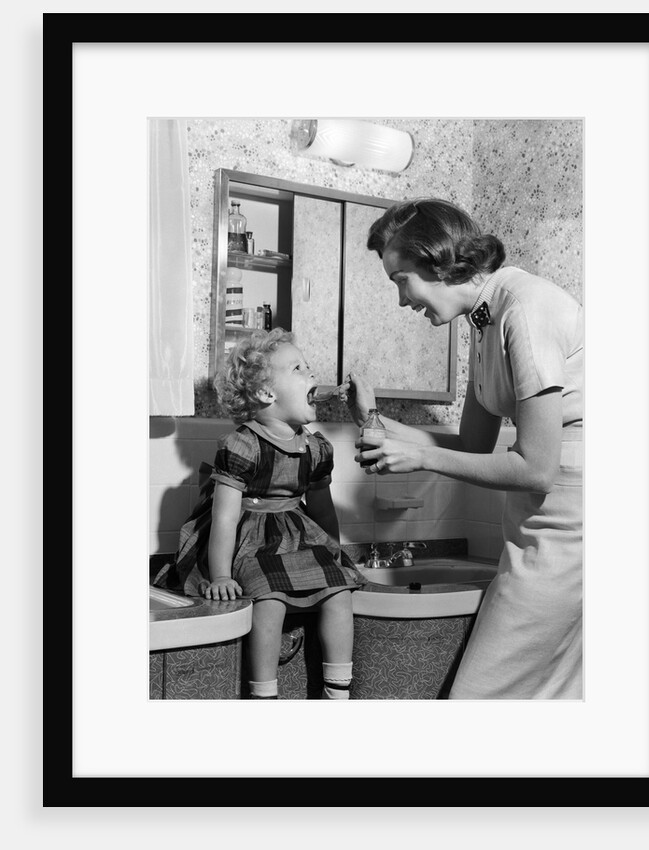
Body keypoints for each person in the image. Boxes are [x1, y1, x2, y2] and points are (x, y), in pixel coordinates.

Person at [346, 198, 583, 700]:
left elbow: (537, 468)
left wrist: (422, 458)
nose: (401, 300)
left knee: (480, 697)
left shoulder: (525, 308)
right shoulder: (485, 318)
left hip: (576, 526)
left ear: (437, 261)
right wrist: (374, 418)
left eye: (400, 279)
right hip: (537, 526)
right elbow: (473, 445)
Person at [154, 328, 365, 700]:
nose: (312, 374)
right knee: (268, 595)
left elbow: (322, 509)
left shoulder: (316, 447)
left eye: (309, 366)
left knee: (339, 589)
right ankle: (264, 693)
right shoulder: (243, 443)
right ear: (267, 394)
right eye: (299, 368)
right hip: (250, 536)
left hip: (296, 530)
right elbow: (223, 519)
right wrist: (220, 574)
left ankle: (338, 691)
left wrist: (336, 552)